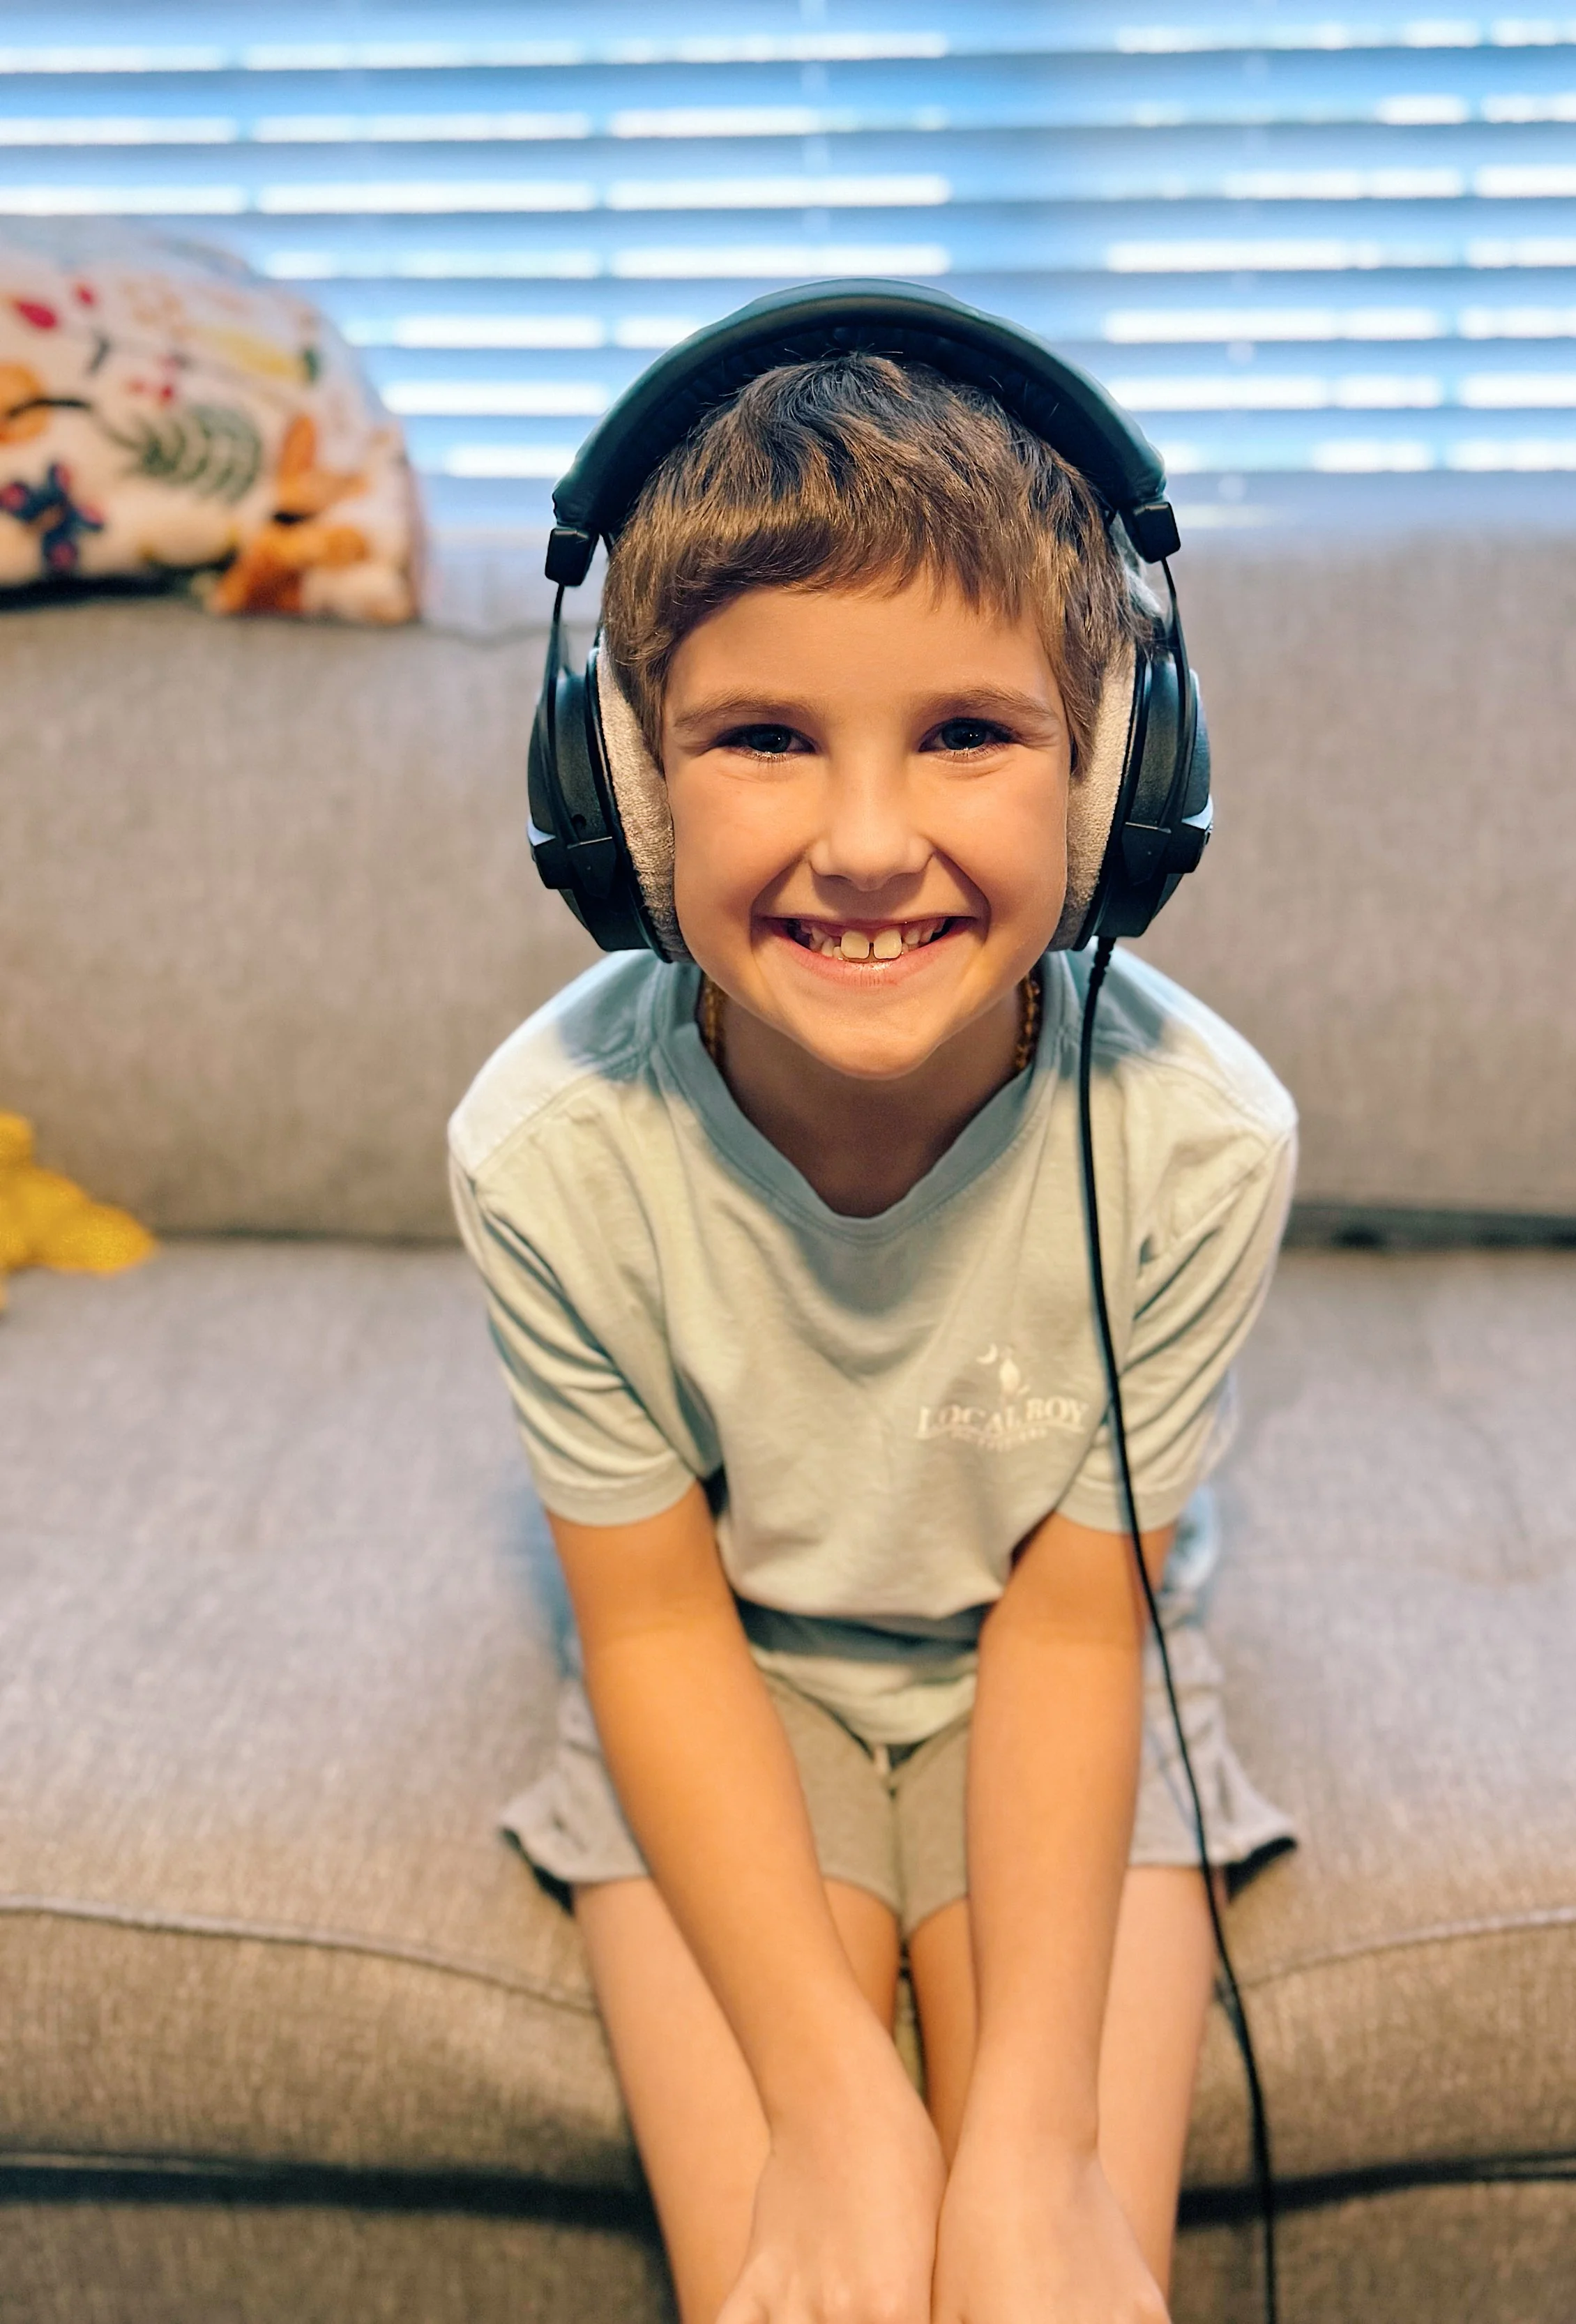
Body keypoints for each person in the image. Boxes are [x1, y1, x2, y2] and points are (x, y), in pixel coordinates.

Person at [449, 342, 1296, 2324]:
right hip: (731, 1660)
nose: (862, 838)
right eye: (760, 738)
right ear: (624, 787)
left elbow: (1079, 1626)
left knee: (1041, 2264)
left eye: (966, 734)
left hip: (1061, 1659)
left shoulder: (1192, 1142)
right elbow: (650, 1624)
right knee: (802, 2258)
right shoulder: (547, 1152)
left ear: (1114, 777)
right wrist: (842, 2109)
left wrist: (1025, 2140)